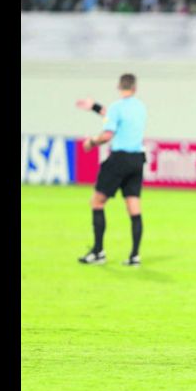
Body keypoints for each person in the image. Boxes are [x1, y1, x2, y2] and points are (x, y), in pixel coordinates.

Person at [75, 73, 147, 266]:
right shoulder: (140, 107)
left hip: (119, 159)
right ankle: (134, 256)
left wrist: (91, 142)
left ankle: (98, 252)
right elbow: (114, 115)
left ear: (118, 86)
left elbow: (108, 134)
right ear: (135, 88)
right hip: (137, 160)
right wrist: (95, 107)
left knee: (97, 202)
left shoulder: (117, 107)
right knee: (134, 207)